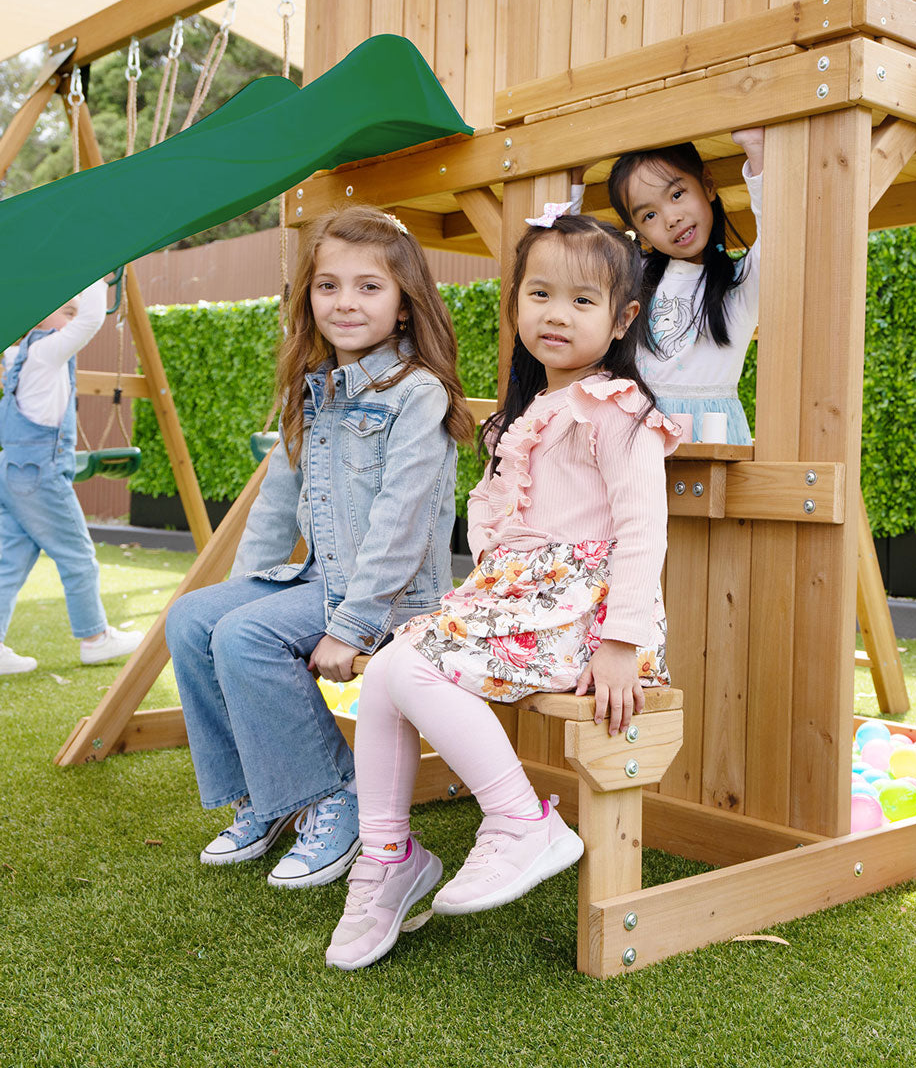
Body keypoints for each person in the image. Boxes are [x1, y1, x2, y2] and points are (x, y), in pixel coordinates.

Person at [326, 210, 679, 971]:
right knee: (387, 669)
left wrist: (624, 642)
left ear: (622, 319)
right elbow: (498, 537)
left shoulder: (618, 412)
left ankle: (521, 821)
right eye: (540, 294)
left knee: (407, 663)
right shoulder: (528, 415)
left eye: (582, 302)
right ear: (516, 303)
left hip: (580, 613)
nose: (555, 315)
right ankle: (387, 857)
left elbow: (642, 532)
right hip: (521, 600)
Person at [164, 206, 474, 890]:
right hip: (316, 578)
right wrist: (229, 601)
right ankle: (267, 799)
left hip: (390, 598)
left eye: (369, 287)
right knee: (194, 619)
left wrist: (352, 626)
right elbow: (275, 507)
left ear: (402, 306)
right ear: (308, 297)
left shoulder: (416, 394)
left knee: (244, 637)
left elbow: (401, 523)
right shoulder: (312, 393)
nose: (345, 301)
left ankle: (340, 795)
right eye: (328, 285)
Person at [0, 280, 144, 675]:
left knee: (8, 560)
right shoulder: (45, 351)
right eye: (66, 311)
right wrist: (97, 275)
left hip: (12, 470)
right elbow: (93, 319)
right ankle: (95, 638)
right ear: (35, 319)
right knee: (78, 556)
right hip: (39, 474)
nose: (72, 318)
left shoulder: (17, 357)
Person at [605, 128, 765, 444]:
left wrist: (755, 150)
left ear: (707, 185)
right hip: (638, 435)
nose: (671, 219)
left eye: (677, 195)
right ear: (641, 233)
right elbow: (569, 268)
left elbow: (778, 227)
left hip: (715, 439)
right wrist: (573, 181)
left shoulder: (741, 283)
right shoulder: (634, 275)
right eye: (649, 215)